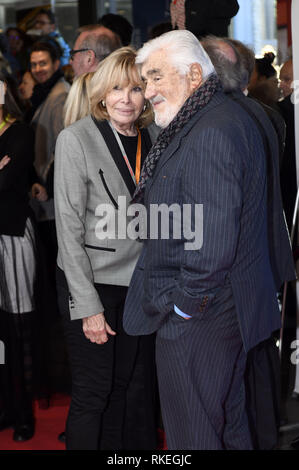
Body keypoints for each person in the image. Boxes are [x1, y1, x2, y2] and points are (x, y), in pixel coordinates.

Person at [123, 29, 281, 450]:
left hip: (202, 316)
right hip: (218, 311)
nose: (147, 90)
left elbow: (211, 243)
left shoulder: (211, 129)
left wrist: (184, 308)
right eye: (145, 79)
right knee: (226, 428)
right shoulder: (210, 116)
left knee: (192, 435)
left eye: (156, 77)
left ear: (194, 74)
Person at [54, 46, 158, 450]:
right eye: (117, 88)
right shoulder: (75, 139)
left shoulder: (154, 135)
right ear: (101, 93)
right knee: (94, 392)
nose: (126, 99)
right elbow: (67, 230)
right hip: (92, 284)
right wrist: (88, 306)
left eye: (135, 88)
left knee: (130, 389)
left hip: (140, 285)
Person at [201, 35, 296, 449]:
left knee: (235, 380)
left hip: (232, 269)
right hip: (262, 261)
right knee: (255, 366)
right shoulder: (264, 116)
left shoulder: (221, 122)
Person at [0, 73, 36, 442]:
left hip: (12, 236)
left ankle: (23, 412)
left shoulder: (21, 132)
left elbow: (7, 183)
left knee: (19, 329)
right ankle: (6, 407)